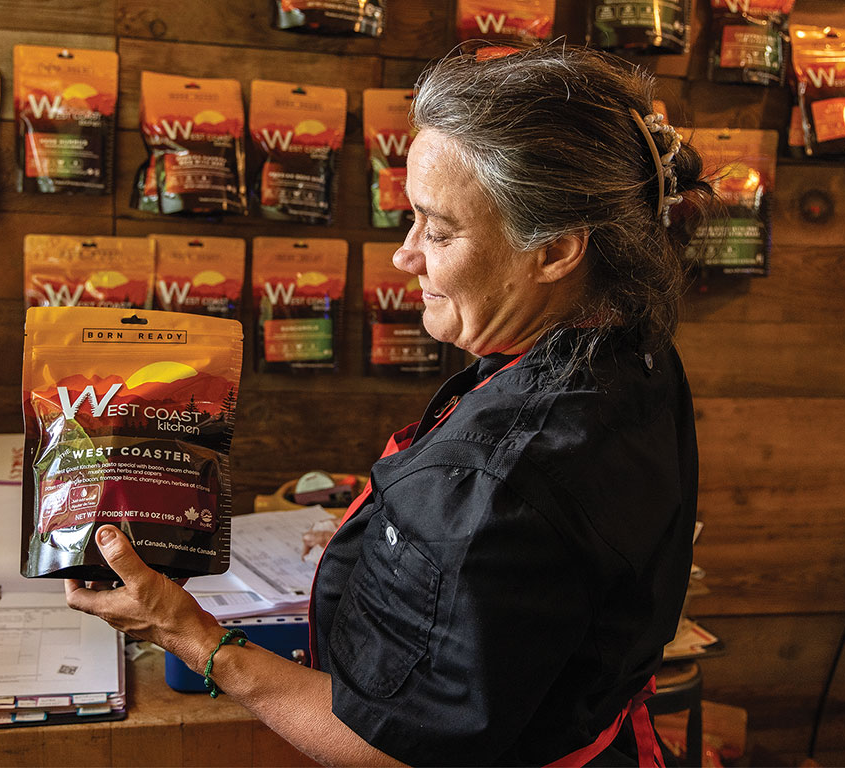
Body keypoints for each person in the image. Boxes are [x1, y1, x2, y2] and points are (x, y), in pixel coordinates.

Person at [65, 43, 714, 767]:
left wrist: (189, 635)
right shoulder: (628, 347)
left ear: (556, 248)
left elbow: (393, 749)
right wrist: (395, 542)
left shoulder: (495, 481)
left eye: (439, 230)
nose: (406, 255)